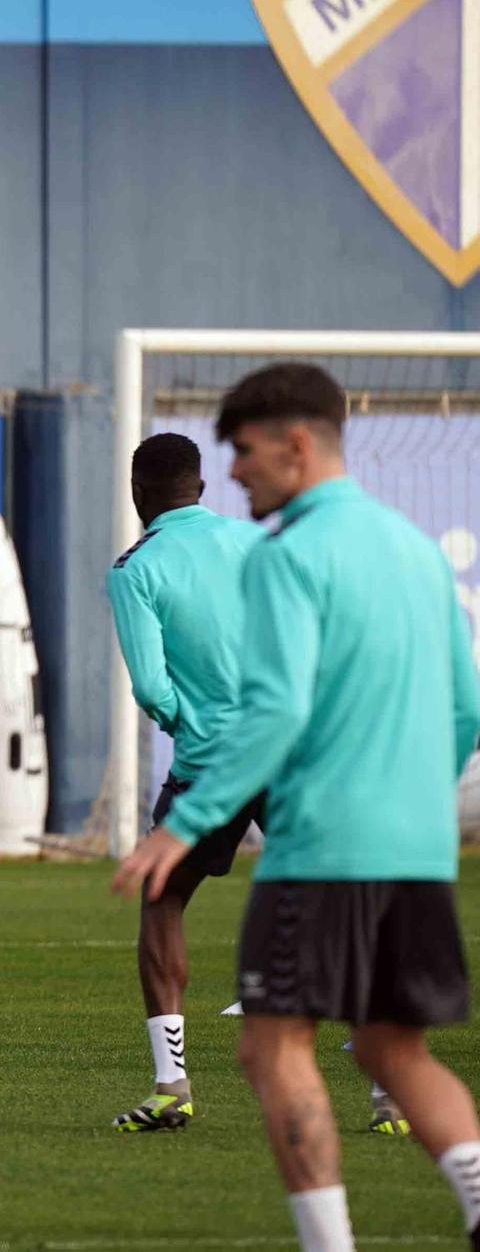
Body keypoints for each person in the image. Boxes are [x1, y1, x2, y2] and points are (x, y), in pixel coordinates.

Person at [115, 362, 480, 1252]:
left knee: (274, 1049)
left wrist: (190, 822)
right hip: (414, 836)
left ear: (296, 443)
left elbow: (266, 712)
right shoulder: (410, 546)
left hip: (313, 827)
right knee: (398, 1050)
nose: (233, 472)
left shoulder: (283, 555)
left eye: (242, 451)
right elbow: (467, 701)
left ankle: (324, 1240)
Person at [104, 433, 270, 1133]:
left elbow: (149, 686)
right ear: (201, 488)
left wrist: (186, 719)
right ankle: (390, 1093)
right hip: (295, 745)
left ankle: (172, 1083)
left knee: (163, 898)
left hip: (210, 762)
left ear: (138, 493)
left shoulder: (135, 568)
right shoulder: (257, 543)